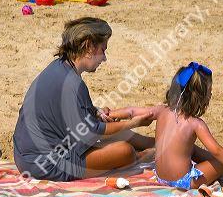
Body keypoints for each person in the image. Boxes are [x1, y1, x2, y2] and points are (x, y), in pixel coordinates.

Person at [13, 17, 155, 182]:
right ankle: (145, 155)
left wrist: (94, 111)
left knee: (112, 129)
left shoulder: (59, 67)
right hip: (45, 164)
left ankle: (155, 143)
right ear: (88, 46)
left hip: (26, 156)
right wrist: (134, 122)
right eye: (103, 50)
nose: (104, 58)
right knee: (125, 151)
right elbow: (91, 132)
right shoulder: (74, 84)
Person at [109, 62, 223, 190]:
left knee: (191, 149)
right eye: (209, 92)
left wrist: (110, 114)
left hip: (160, 176)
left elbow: (131, 111)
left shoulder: (161, 110)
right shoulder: (196, 124)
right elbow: (217, 150)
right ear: (200, 97)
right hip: (185, 181)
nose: (211, 95)